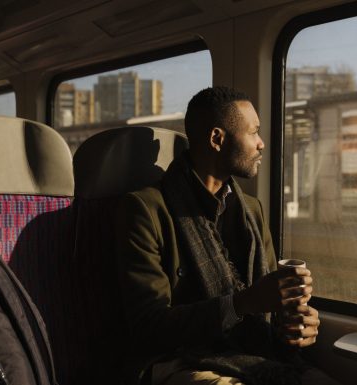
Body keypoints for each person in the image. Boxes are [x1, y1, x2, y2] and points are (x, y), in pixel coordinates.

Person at [115, 87, 338, 385]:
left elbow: (268, 304)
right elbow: (149, 327)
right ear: (217, 139)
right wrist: (241, 304)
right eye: (254, 132)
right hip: (177, 358)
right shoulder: (146, 209)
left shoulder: (251, 212)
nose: (261, 144)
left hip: (248, 351)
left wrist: (294, 325)